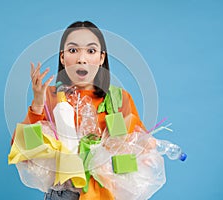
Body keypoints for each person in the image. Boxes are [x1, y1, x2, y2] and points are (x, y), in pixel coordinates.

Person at [13, 21, 145, 200]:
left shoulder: (119, 99)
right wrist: (37, 104)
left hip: (107, 193)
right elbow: (23, 152)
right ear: (62, 57)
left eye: (91, 51)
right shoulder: (51, 96)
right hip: (64, 194)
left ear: (101, 58)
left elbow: (141, 147)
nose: (81, 59)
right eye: (73, 50)